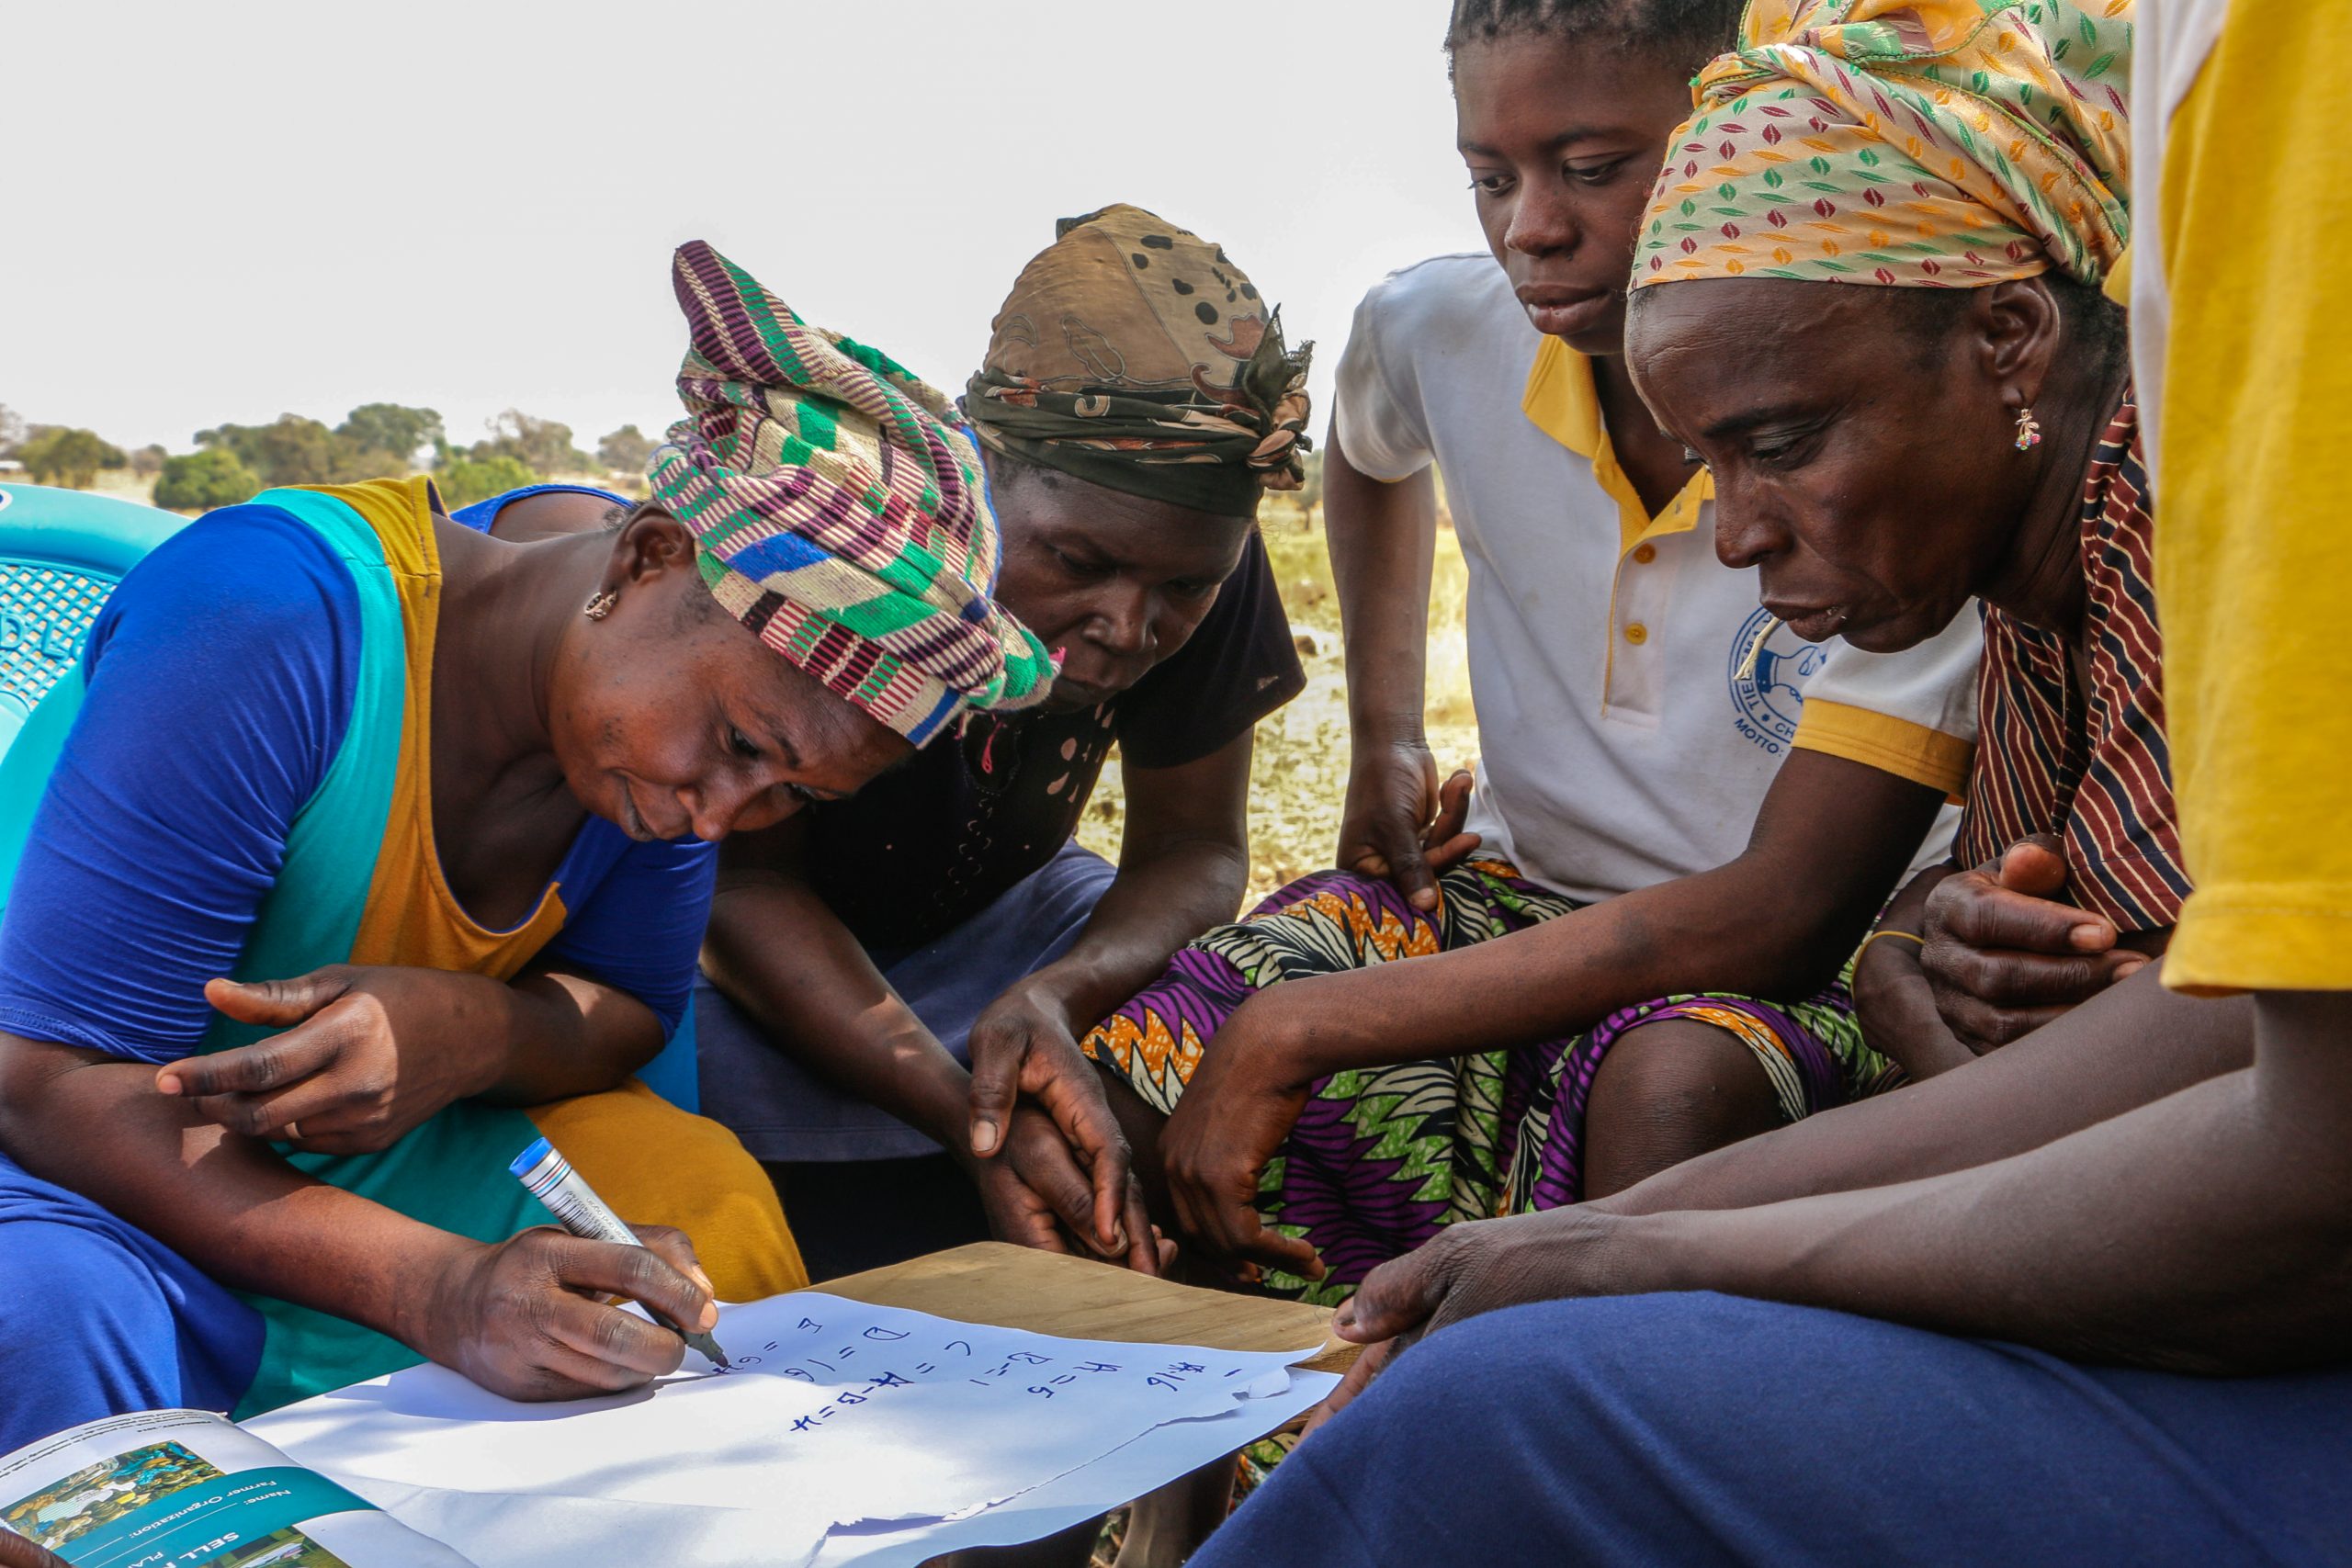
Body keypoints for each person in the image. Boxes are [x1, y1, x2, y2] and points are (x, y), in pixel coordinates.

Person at [1193, 3, 2352, 1561]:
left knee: (1501, 1407)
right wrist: (1917, 955)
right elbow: (2061, 978)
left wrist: (1637, 1244)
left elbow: (2254, 1070)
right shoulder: (2027, 600)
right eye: (1713, 463)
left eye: (1783, 444)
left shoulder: (2186, 548)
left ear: (2010, 340)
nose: (1735, 533)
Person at [0, 240, 1055, 1450]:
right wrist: (437, 1288)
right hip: (95, 1166)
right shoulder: (276, 618)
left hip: (378, 1161)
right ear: (647, 558)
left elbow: (632, 1006)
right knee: (48, 1314)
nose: (718, 817)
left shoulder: (645, 760)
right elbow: (47, 1080)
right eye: (737, 743)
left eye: (791, 795)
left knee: (700, 1208)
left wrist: (467, 1030)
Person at [1065, 0, 1983, 1303]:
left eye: (1594, 168)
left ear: (1733, 137)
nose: (1530, 228)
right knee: (1166, 1040)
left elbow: (1786, 913)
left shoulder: (1863, 435)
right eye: (1490, 178)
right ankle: (1214, 1418)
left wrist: (1309, 1022)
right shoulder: (1448, 330)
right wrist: (1385, 733)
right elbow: (1368, 445)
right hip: (1507, 892)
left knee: (1670, 1085)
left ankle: (1558, 1410)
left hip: (1803, 962)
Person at [695, 205, 1309, 1279]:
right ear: (977, 485)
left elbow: (1193, 850)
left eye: (1184, 587)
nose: (1130, 625)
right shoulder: (859, 549)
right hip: (761, 960)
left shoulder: (1201, 561)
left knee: (1214, 1009)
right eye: (1076, 563)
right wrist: (963, 1109)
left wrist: (1057, 994)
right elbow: (744, 887)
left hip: (1014, 931)